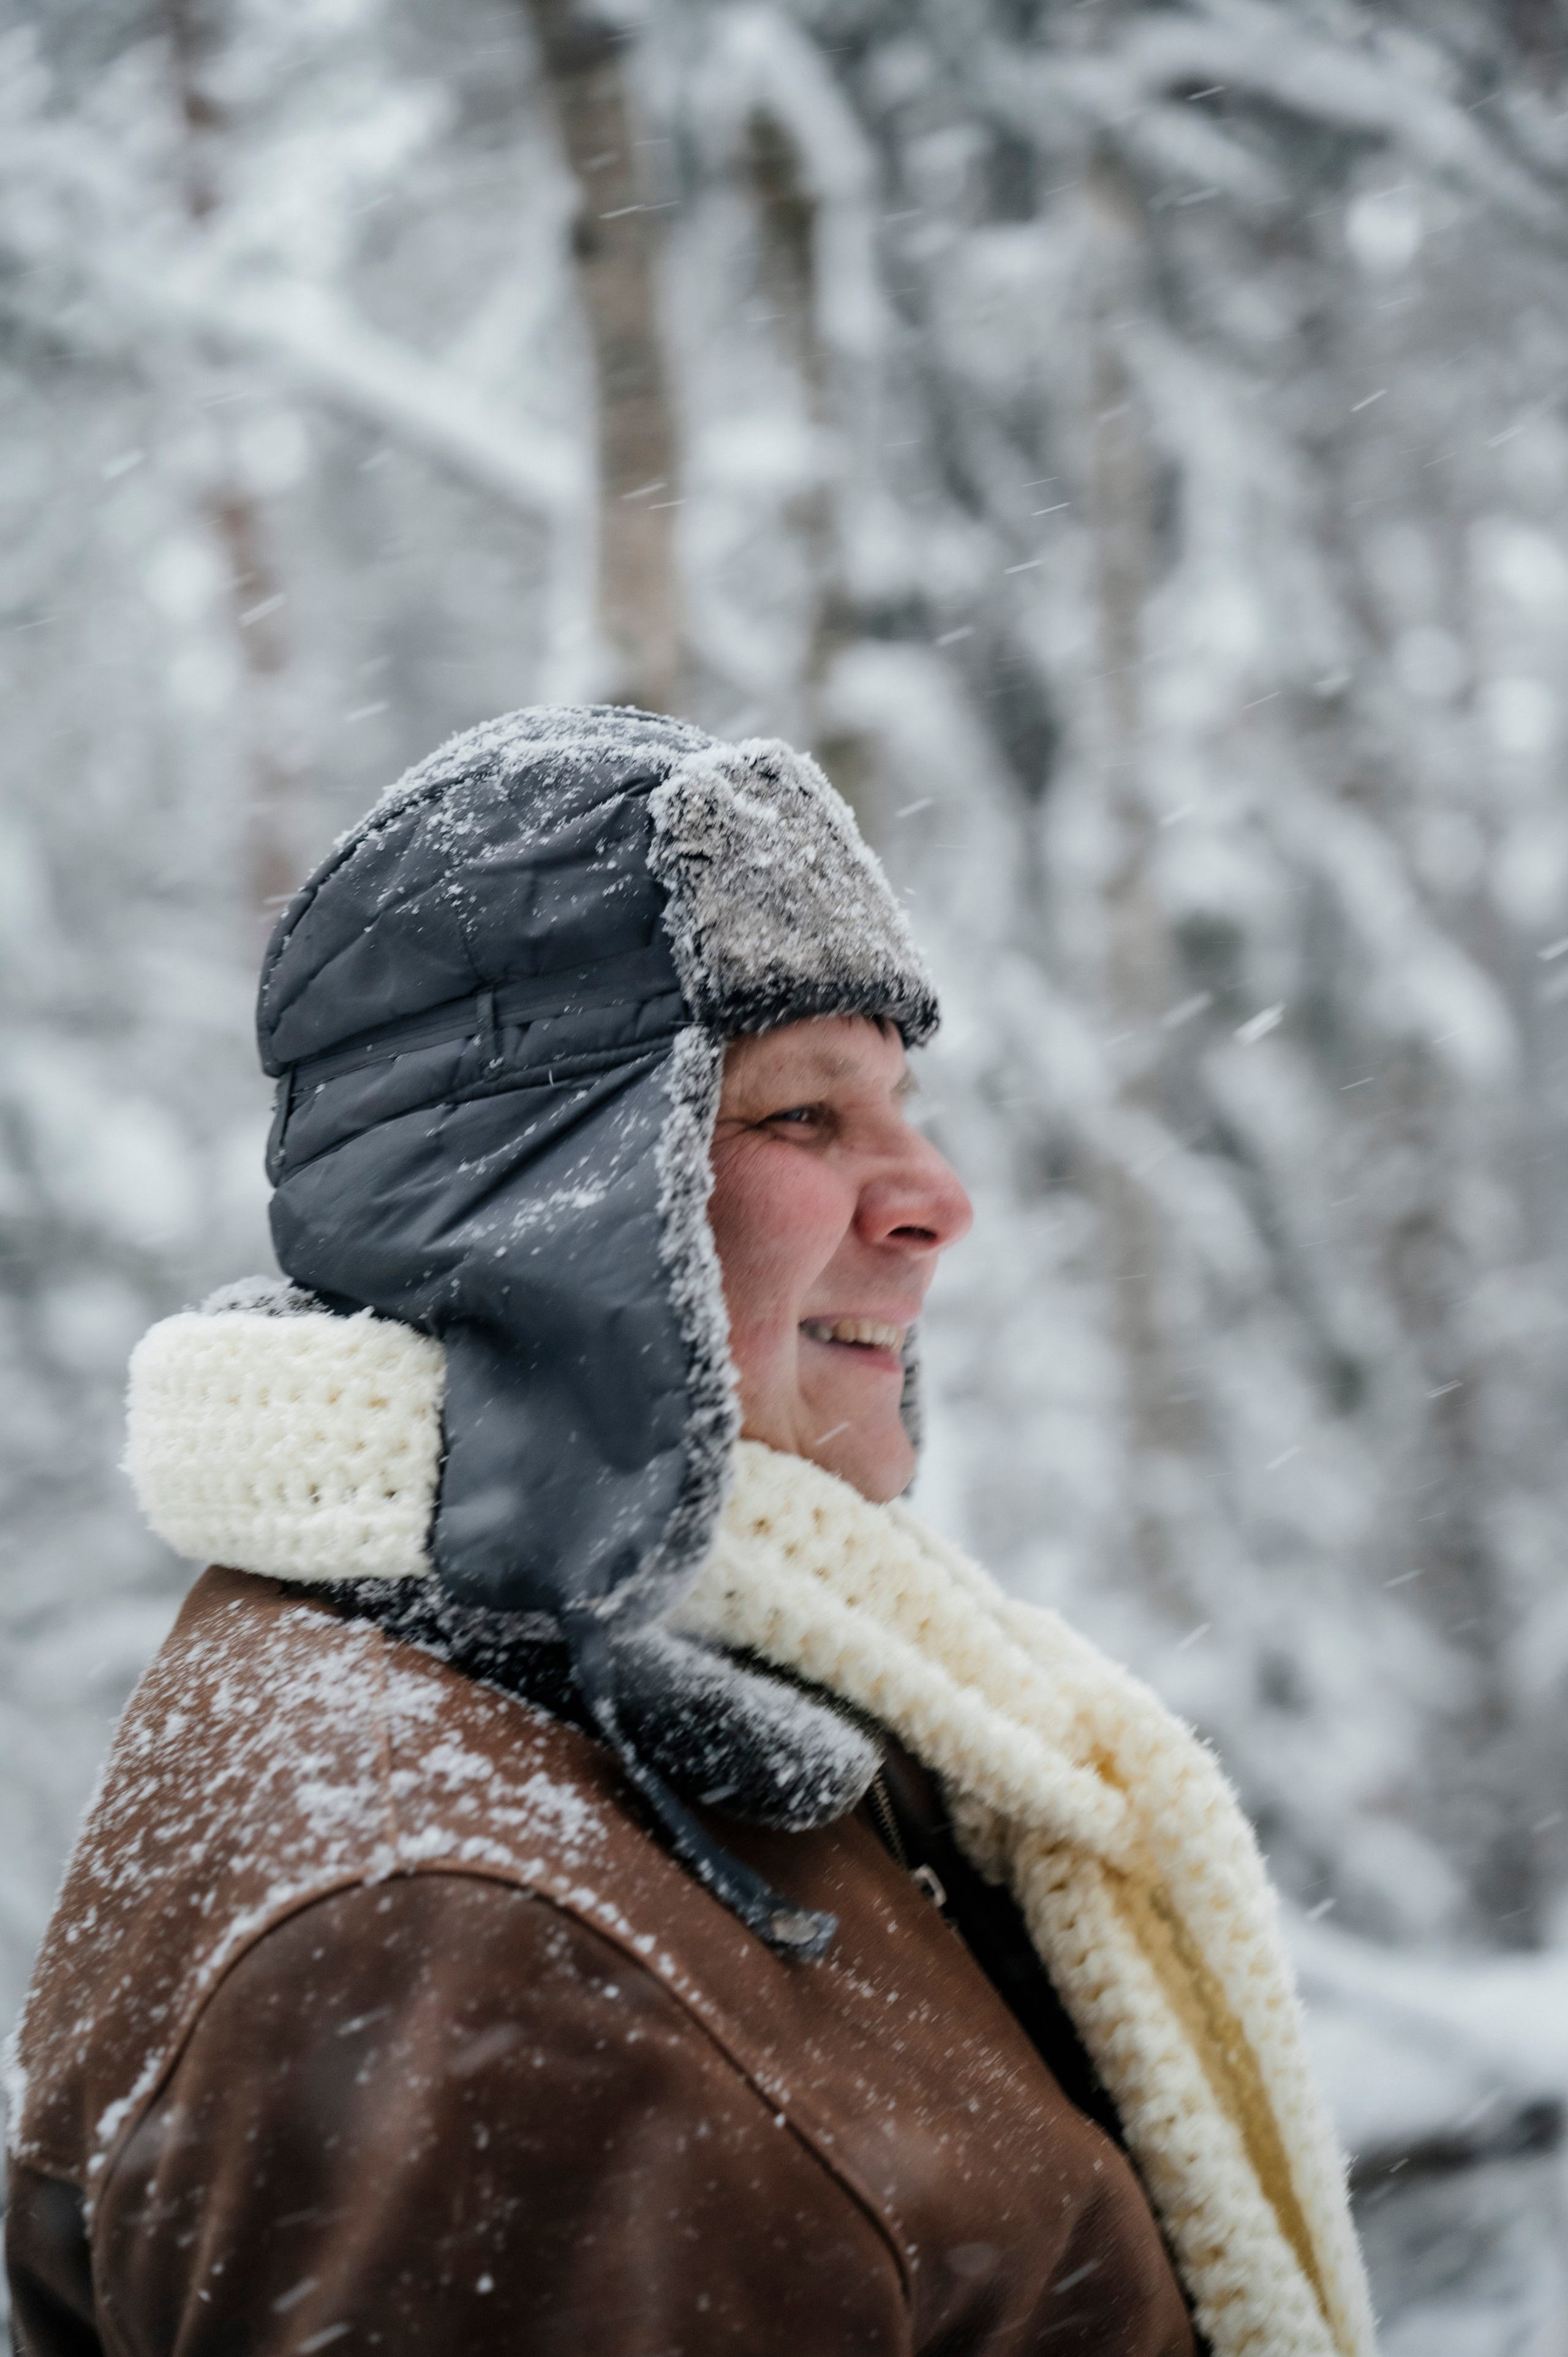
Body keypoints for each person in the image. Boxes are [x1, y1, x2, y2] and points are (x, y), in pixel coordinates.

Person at [6, 707, 1375, 2357]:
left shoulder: (646, 1667)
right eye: (805, 1116)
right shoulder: (484, 1957)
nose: (935, 1193)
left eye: (903, 1101)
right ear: (552, 1206)